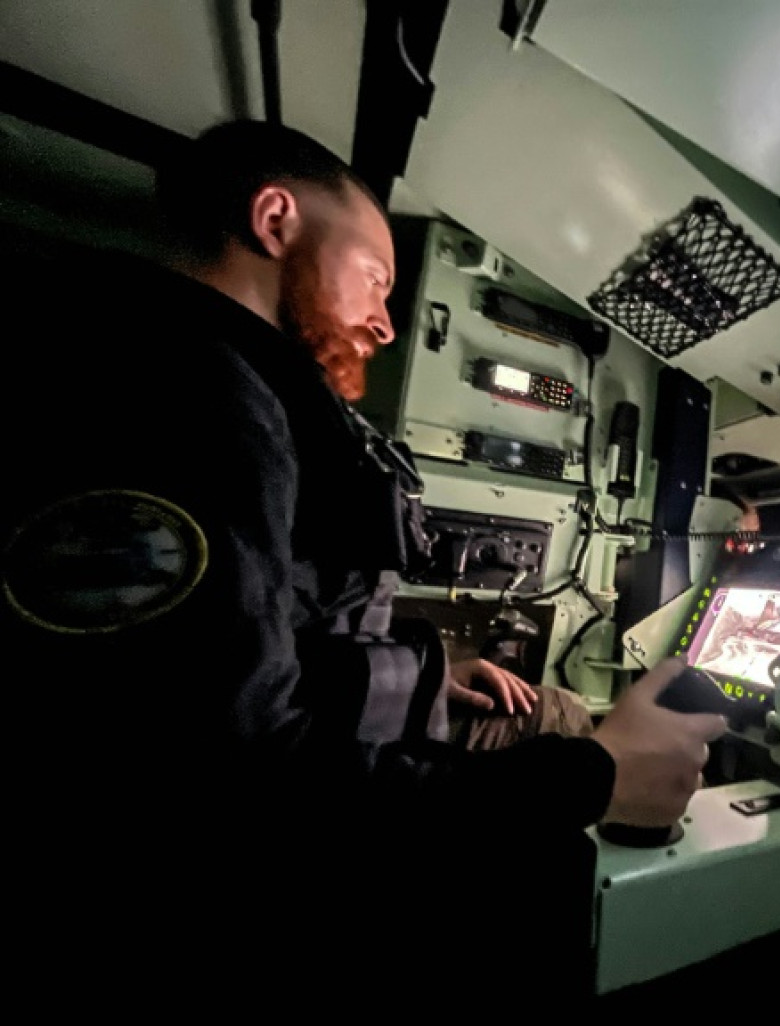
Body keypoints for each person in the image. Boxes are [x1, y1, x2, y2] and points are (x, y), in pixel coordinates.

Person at [0, 120, 725, 1002]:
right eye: (376, 277)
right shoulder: (193, 400)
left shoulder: (210, 377)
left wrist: (423, 672)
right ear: (276, 221)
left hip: (331, 741)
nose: (384, 320)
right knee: (575, 733)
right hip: (224, 888)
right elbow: (229, 787)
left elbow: (257, 637)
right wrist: (595, 780)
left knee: (559, 707)